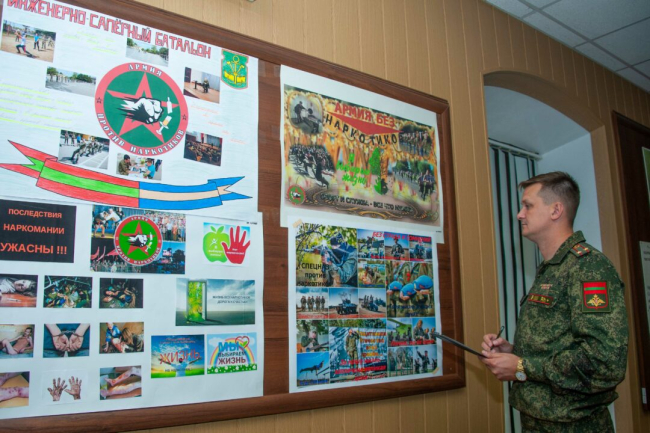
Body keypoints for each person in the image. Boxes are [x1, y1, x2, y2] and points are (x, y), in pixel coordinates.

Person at [480, 172, 628, 432]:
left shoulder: (588, 267)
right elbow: (558, 343)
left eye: (528, 206)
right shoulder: (551, 269)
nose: (519, 214)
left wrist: (522, 366)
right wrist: (514, 352)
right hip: (538, 421)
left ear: (556, 210)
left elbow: (604, 363)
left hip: (574, 425)